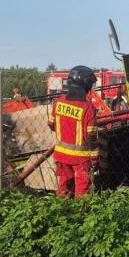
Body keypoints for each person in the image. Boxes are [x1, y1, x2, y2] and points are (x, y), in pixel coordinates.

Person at [47, 65, 100, 198]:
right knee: (82, 190)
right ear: (85, 85)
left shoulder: (58, 103)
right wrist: (94, 159)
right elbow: (91, 137)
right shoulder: (88, 108)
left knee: (63, 186)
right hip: (80, 158)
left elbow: (51, 124)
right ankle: (81, 215)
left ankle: (60, 211)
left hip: (61, 154)